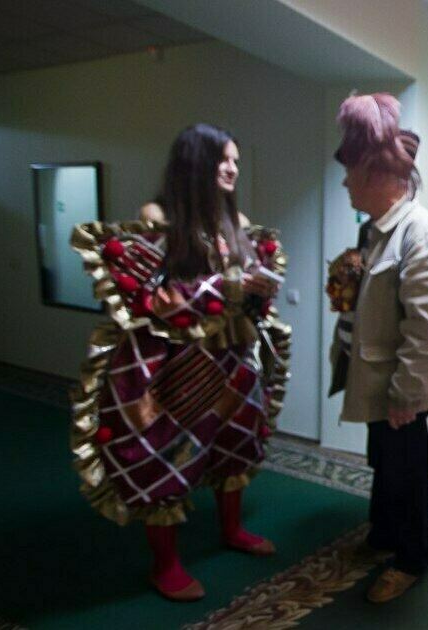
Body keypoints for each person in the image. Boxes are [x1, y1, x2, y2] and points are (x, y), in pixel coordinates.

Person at [69, 123, 290, 601]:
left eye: (236, 161)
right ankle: (164, 564)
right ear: (196, 162)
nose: (232, 169)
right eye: (223, 159)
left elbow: (244, 289)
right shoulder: (159, 217)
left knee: (237, 441)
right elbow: (154, 296)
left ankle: (232, 530)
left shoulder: (237, 220)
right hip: (181, 359)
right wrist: (228, 287)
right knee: (165, 452)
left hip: (235, 352)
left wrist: (258, 289)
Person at [327, 93, 428, 604]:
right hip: (375, 377)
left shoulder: (424, 234)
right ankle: (383, 534)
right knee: (383, 460)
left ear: (377, 174)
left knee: (407, 470)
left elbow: (427, 329)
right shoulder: (374, 230)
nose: (344, 183)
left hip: (401, 386)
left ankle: (411, 557)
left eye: (350, 173)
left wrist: (407, 394)